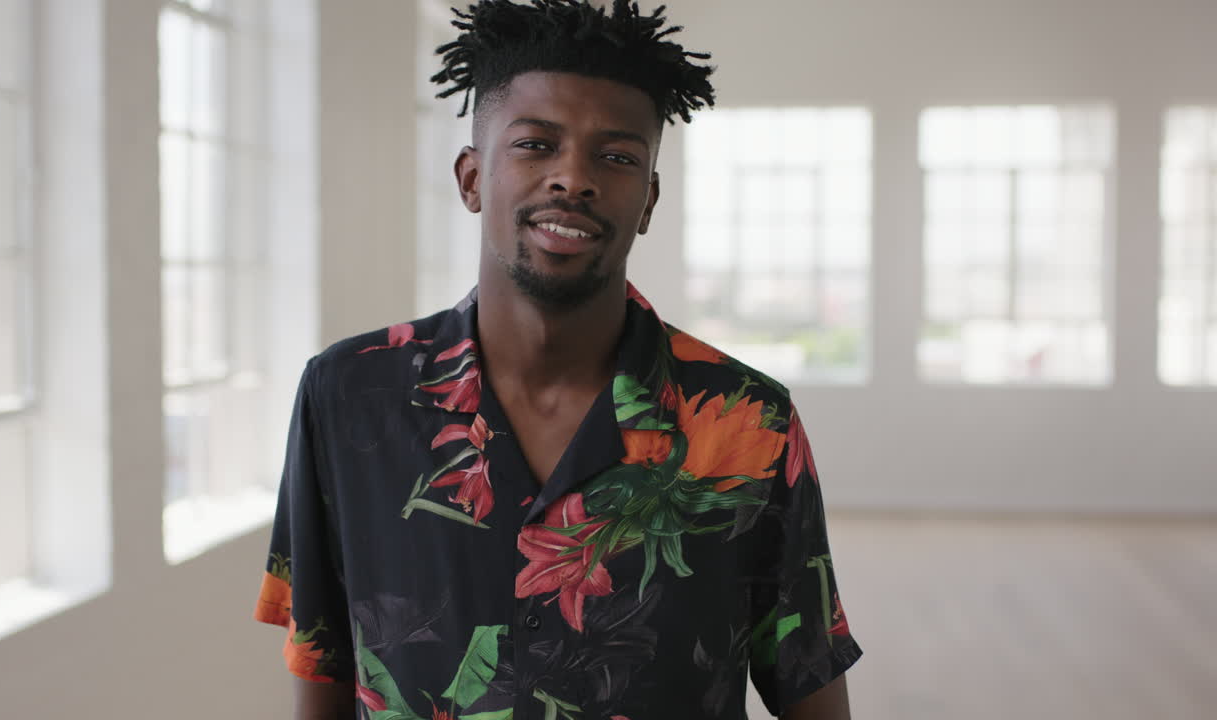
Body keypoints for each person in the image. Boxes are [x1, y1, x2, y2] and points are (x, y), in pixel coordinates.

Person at [253, 1, 861, 718]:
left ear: (649, 201)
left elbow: (810, 686)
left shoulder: (750, 422)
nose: (573, 178)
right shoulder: (347, 395)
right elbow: (321, 660)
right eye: (536, 145)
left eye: (617, 156)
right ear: (471, 179)